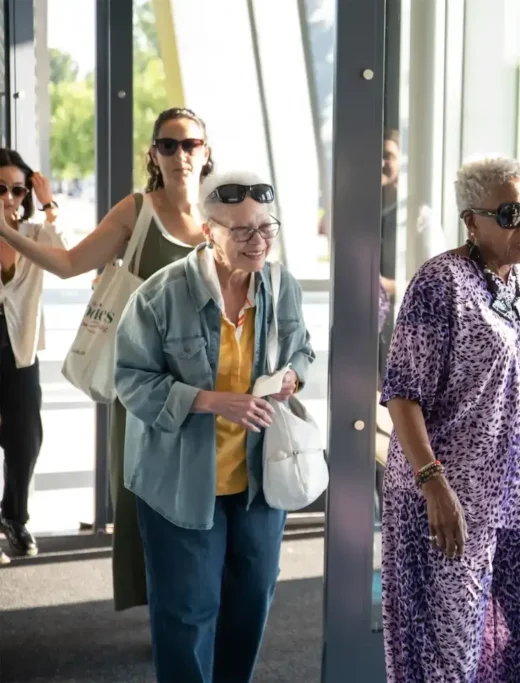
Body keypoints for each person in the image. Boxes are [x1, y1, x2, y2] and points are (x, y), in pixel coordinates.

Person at [379, 155, 520, 682]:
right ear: (472, 220)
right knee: (447, 654)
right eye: (510, 212)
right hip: (452, 503)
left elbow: (507, 368)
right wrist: (433, 484)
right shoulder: (438, 284)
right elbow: (403, 394)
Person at [0, 107, 215, 609]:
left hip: (207, 379)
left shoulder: (217, 215)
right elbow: (72, 263)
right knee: (141, 492)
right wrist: (7, 232)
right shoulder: (138, 209)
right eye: (168, 144)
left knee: (203, 487)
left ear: (206, 153)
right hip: (142, 383)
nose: (180, 154)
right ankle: (161, 606)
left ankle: (196, 599)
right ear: (153, 154)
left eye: (190, 145)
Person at [114, 171, 313, 683]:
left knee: (250, 604)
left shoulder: (280, 283)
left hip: (258, 480)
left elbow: (303, 349)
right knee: (186, 611)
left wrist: (294, 373)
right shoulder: (160, 295)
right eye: (241, 231)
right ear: (208, 232)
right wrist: (208, 401)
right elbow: (130, 382)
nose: (258, 241)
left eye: (266, 227)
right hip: (179, 481)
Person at [0, 151, 63, 564]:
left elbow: (63, 261)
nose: (8, 196)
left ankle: (14, 517)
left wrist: (49, 205)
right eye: (1, 188)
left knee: (25, 440)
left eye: (17, 189)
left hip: (19, 349)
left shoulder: (36, 233)